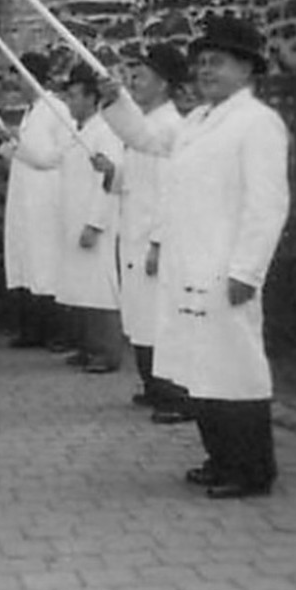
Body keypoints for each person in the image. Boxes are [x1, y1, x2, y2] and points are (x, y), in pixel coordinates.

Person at [100, 16, 290, 499]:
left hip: (227, 267)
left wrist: (247, 270)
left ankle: (252, 469)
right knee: (202, 369)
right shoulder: (199, 122)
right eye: (202, 62)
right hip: (190, 266)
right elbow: (148, 141)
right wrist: (114, 102)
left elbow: (267, 205)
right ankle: (220, 458)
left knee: (235, 366)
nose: (206, 71)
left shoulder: (258, 124)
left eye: (218, 61)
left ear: (247, 69)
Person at [114, 43, 188, 417]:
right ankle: (152, 384)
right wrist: (112, 174)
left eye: (140, 76)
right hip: (134, 229)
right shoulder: (147, 125)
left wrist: (159, 242)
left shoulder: (171, 126)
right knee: (141, 314)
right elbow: (135, 177)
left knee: (159, 316)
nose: (133, 82)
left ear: (162, 84)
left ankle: (174, 394)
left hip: (153, 236)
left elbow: (171, 190)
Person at [0, 51, 72, 349]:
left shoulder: (56, 109)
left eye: (21, 75)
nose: (17, 82)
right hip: (26, 196)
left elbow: (51, 156)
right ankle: (32, 329)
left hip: (46, 196)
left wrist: (17, 141)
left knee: (46, 261)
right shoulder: (32, 111)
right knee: (27, 258)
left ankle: (58, 331)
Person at [55, 63, 125, 373]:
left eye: (74, 96)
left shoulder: (106, 130)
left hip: (95, 220)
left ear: (90, 98)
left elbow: (109, 182)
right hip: (75, 215)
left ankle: (107, 351)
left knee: (100, 285)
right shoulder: (80, 131)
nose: (69, 102)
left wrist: (95, 223)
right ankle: (87, 346)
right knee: (80, 286)